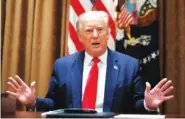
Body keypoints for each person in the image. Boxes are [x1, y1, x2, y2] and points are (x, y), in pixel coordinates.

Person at [6, 11, 174, 114]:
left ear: (108, 33)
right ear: (79, 36)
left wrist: (148, 104)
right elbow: (53, 105)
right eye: (89, 30)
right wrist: (32, 102)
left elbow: (135, 106)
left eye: (100, 30)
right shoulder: (62, 66)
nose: (95, 35)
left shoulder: (128, 65)